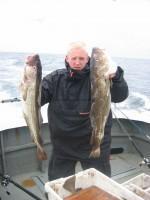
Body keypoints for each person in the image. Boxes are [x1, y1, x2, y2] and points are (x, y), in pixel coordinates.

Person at [41, 42, 129, 181]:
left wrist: (117, 78)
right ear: (67, 59)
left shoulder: (104, 76)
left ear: (88, 59)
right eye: (74, 58)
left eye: (81, 59)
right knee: (58, 185)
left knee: (101, 186)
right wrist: (29, 86)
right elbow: (38, 99)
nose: (77, 62)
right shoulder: (54, 79)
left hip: (95, 143)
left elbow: (120, 97)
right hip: (63, 146)